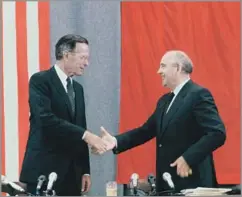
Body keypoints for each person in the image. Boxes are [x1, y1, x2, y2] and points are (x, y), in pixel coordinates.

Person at [93, 50, 226, 193]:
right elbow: (145, 131)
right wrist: (115, 141)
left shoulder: (198, 94)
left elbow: (217, 133)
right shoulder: (164, 101)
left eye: (163, 66)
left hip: (193, 183)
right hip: (167, 184)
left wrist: (188, 158)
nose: (158, 71)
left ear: (178, 68)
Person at [19, 34, 109, 196]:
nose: (86, 63)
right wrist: (87, 135)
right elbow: (45, 119)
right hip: (44, 172)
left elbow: (80, 127)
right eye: (83, 58)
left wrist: (85, 170)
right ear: (66, 55)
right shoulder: (40, 81)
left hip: (72, 175)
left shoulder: (78, 89)